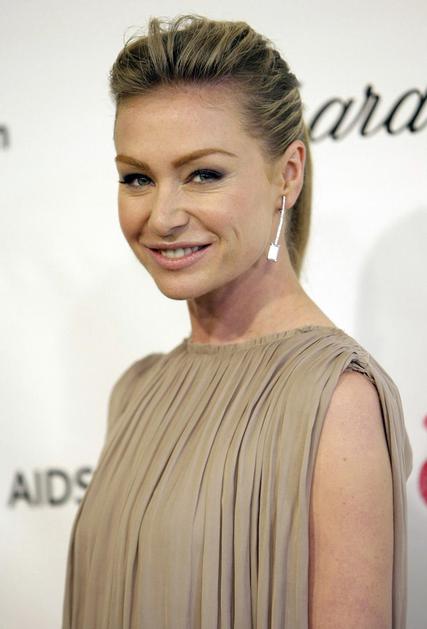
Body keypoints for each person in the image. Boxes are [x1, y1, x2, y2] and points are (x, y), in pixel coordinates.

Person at [61, 14, 413, 629]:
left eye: (204, 174)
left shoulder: (336, 399)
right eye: (137, 178)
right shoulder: (135, 392)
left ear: (288, 174)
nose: (162, 216)